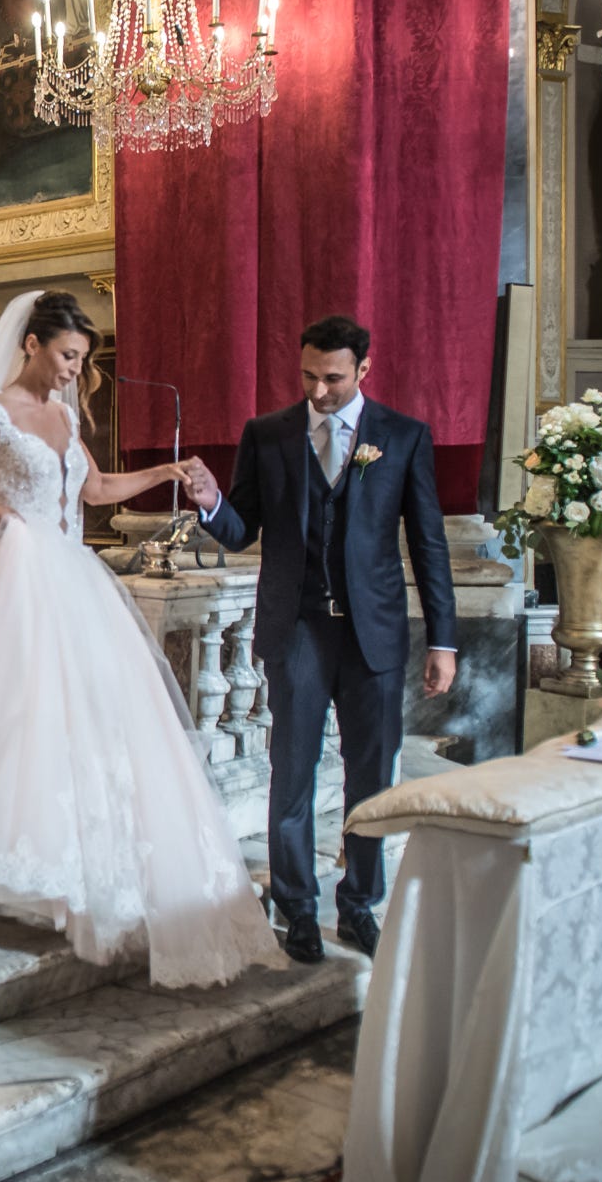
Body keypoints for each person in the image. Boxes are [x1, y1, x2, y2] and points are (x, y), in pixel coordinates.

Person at [0, 291, 283, 985]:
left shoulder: (67, 415)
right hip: (12, 567)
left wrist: (164, 472)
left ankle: (79, 863)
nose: (75, 370)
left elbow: (93, 490)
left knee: (90, 717)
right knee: (10, 709)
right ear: (32, 345)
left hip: (71, 574)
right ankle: (10, 853)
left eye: (82, 359)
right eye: (67, 355)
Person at [187, 314, 458, 965]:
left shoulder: (402, 437)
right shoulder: (267, 435)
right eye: (308, 375)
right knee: (292, 774)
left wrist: (444, 640)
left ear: (363, 370)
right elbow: (241, 528)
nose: (317, 390)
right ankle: (297, 907)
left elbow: (428, 545)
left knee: (373, 779)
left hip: (375, 635)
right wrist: (209, 503)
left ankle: (359, 902)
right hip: (298, 629)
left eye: (332, 377)